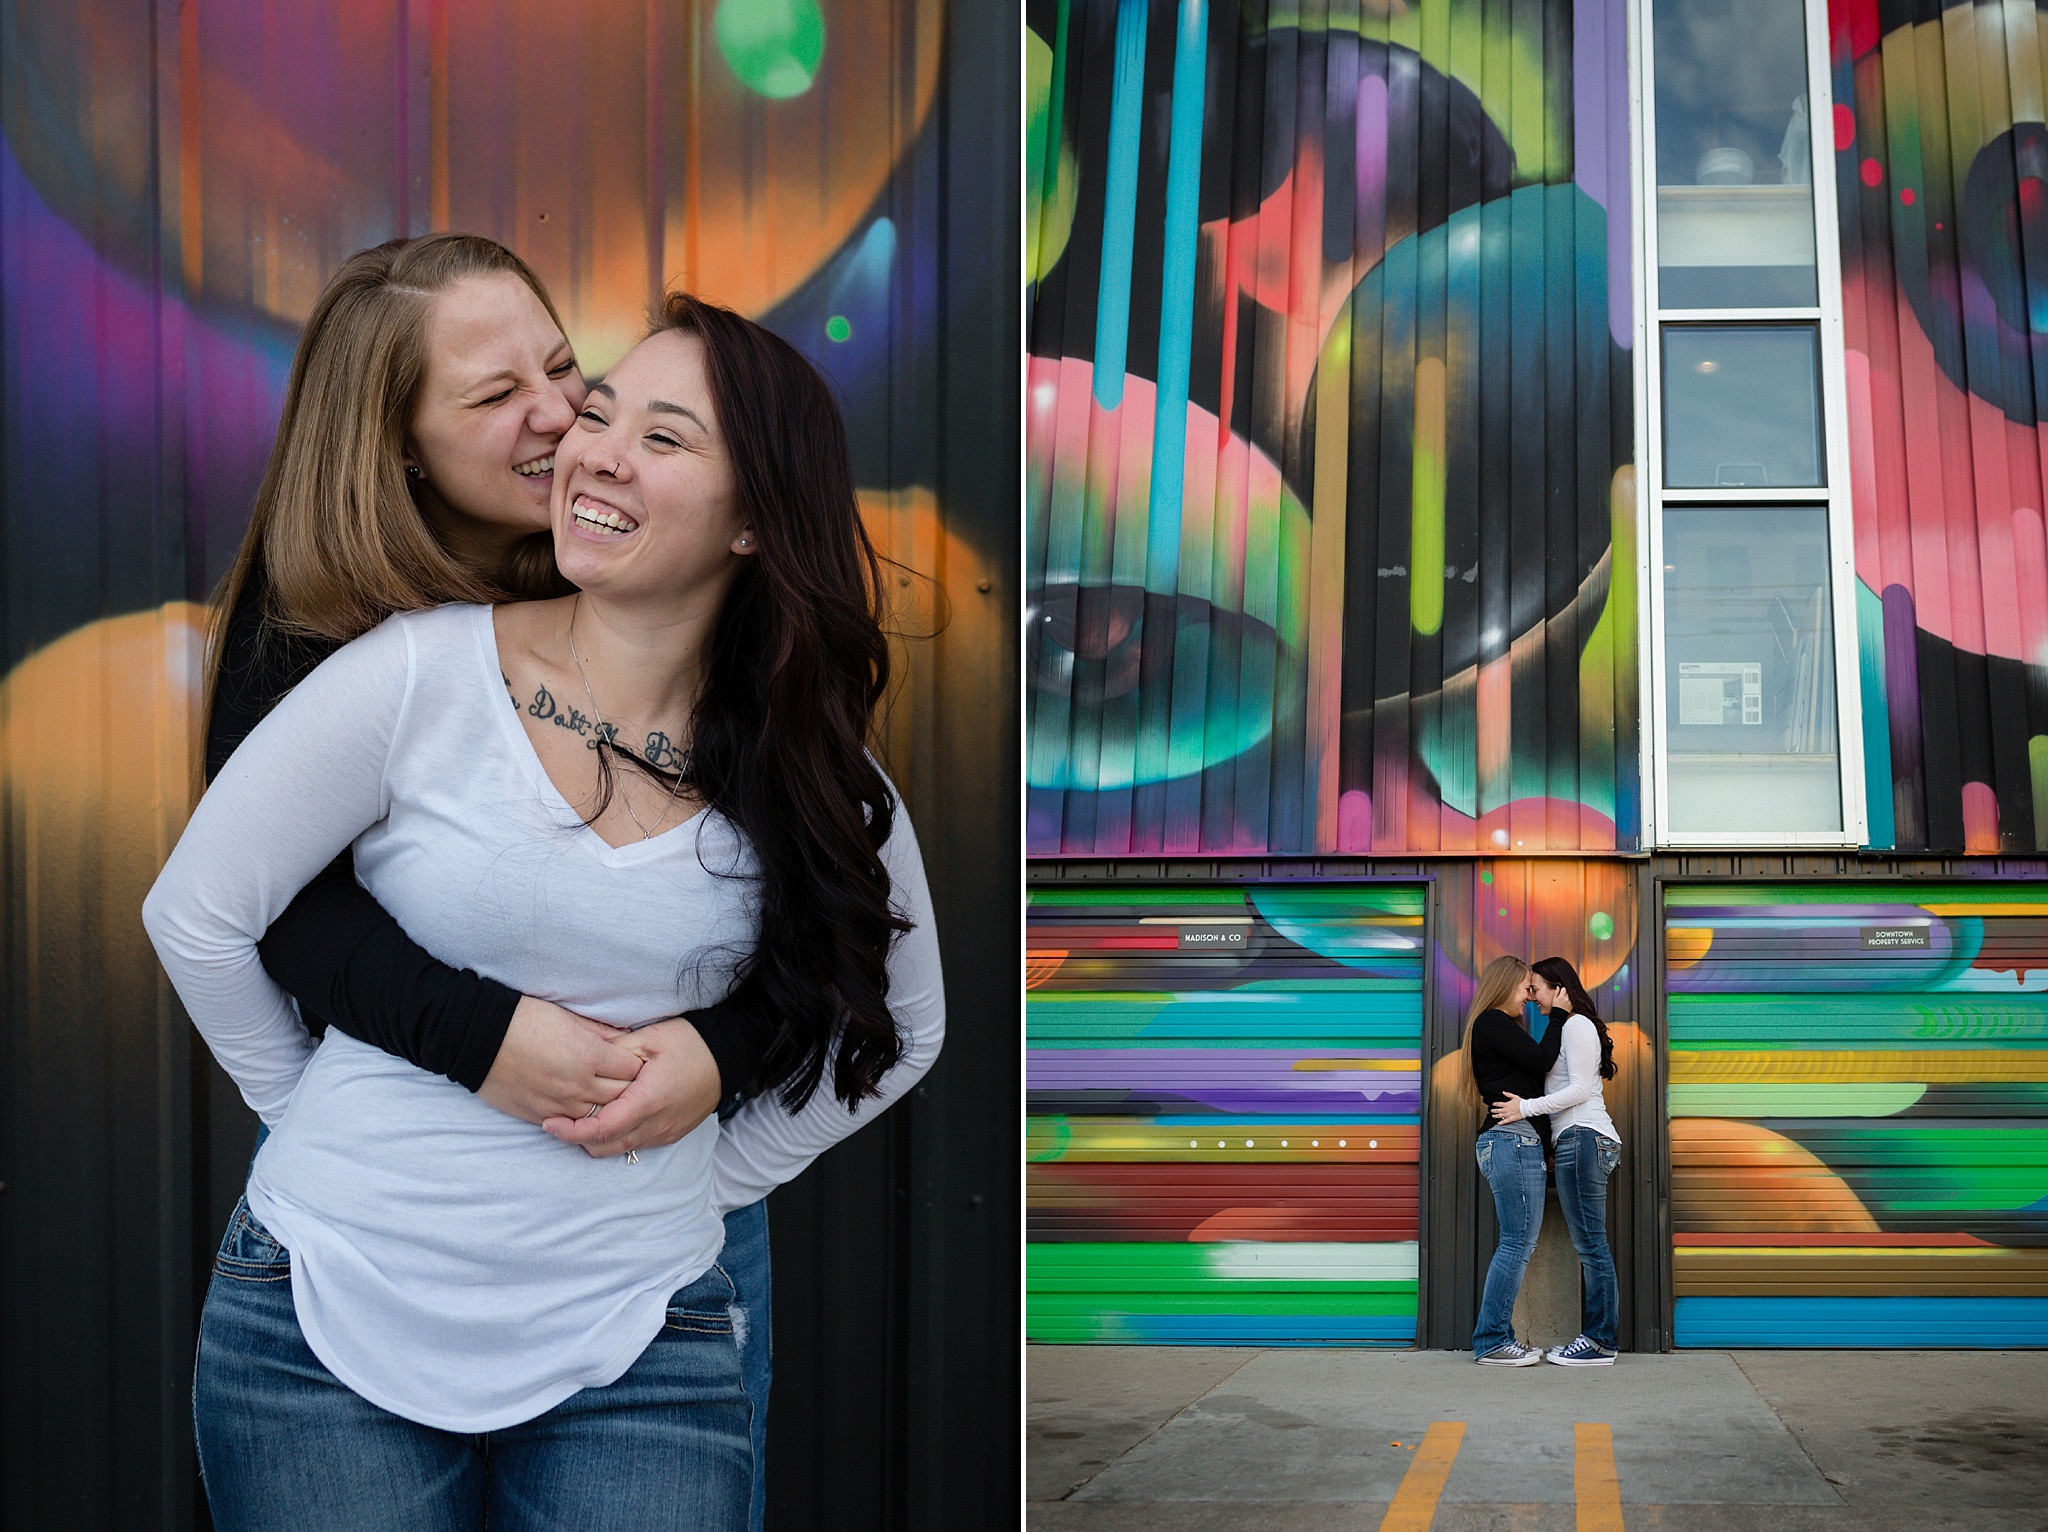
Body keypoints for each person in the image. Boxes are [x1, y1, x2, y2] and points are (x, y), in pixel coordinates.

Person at [144, 290, 945, 1528]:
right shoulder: (412, 666)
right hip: (329, 1311)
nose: (586, 439)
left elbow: (903, 1025)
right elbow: (199, 908)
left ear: (753, 523)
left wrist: (715, 1168)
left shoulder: (809, 771)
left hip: (643, 1338)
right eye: (604, 412)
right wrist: (304, 1107)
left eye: (661, 436)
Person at [1492, 956, 1622, 1366]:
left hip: (1586, 1137)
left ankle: (1600, 1341)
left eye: (1537, 989)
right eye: (1528, 990)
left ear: (1558, 989)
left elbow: (1581, 1089)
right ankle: (1597, 1339)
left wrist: (1525, 1108)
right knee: (1589, 1245)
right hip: (1573, 1140)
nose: (1531, 997)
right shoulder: (1564, 1028)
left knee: (1591, 1246)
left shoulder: (1577, 1024)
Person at [1460, 953, 1563, 1365]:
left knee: (1517, 1241)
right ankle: (1490, 1341)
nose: (1529, 996)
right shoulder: (1492, 1022)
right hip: (1510, 1142)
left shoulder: (1498, 1028)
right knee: (1517, 1242)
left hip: (1515, 1143)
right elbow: (1542, 1061)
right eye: (1526, 987)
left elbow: (1531, 1081)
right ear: (1506, 985)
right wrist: (1557, 1015)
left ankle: (1498, 1337)